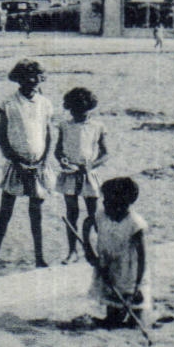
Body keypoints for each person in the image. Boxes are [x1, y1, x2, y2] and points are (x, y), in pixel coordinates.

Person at [0, 60, 53, 271]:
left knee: (36, 213)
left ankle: (39, 257)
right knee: (5, 211)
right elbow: (2, 139)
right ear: (19, 79)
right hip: (16, 166)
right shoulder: (9, 104)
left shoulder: (45, 103)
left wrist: (43, 161)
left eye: (36, 77)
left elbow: (49, 134)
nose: (32, 82)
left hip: (38, 166)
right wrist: (17, 162)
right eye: (27, 77)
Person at [85, 176, 151, 329]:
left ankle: (137, 319)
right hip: (110, 267)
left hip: (130, 273)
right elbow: (87, 223)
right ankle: (113, 318)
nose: (103, 203)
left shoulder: (135, 224)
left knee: (135, 315)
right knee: (113, 311)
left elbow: (143, 258)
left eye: (107, 200)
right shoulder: (102, 215)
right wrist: (88, 251)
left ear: (120, 203)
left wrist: (138, 284)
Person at [56, 87, 108, 266]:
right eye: (76, 112)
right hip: (70, 174)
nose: (80, 115)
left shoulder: (97, 126)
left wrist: (91, 165)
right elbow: (58, 150)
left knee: (93, 214)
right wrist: (62, 160)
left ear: (90, 108)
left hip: (89, 174)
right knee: (72, 214)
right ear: (70, 109)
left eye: (84, 111)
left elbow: (105, 153)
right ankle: (72, 252)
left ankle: (98, 250)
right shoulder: (64, 125)